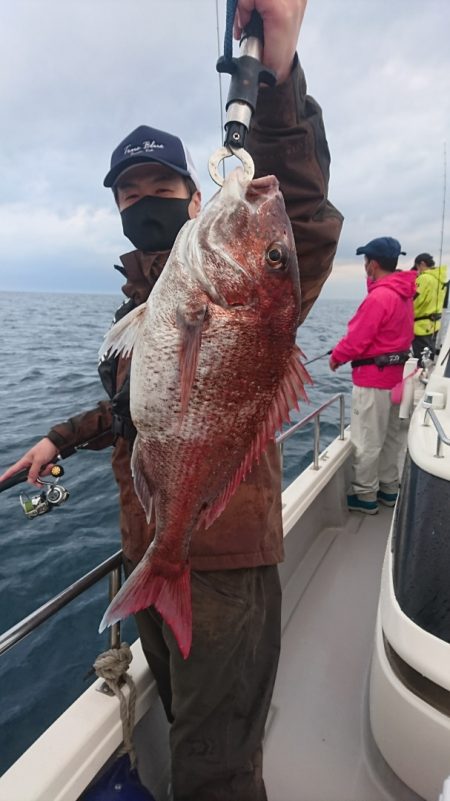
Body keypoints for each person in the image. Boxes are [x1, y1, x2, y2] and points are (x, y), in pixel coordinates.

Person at [0, 2, 343, 798]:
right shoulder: (147, 304)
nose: (144, 198)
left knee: (213, 765)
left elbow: (299, 211)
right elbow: (138, 412)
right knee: (190, 726)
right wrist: (60, 437)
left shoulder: (251, 295)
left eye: (161, 183)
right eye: (130, 191)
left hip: (221, 561)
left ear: (197, 196)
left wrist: (278, 74)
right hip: (155, 548)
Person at [329, 237, 416, 515]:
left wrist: (336, 357)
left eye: (366, 261)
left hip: (373, 381)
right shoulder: (403, 294)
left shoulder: (379, 297)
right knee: (391, 438)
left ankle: (365, 495)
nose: (365, 266)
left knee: (367, 439)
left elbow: (357, 339)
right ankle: (389, 489)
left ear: (373, 264)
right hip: (398, 380)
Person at [412, 252, 448, 362]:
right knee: (429, 358)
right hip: (434, 325)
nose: (417, 271)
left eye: (417, 267)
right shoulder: (440, 280)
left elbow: (415, 300)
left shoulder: (424, 278)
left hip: (421, 327)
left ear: (422, 264)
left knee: (421, 360)